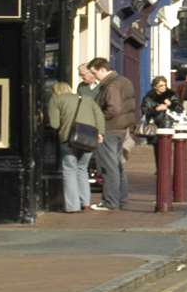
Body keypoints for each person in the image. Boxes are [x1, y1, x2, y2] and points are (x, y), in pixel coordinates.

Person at [84, 59, 135, 212]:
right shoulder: (124, 81)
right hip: (121, 129)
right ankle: (121, 199)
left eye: (94, 73)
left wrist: (98, 119)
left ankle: (110, 201)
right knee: (117, 166)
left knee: (108, 166)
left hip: (109, 129)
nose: (94, 76)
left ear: (101, 70)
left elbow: (113, 108)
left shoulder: (111, 85)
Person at [44, 78, 101, 213]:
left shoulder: (55, 100)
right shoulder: (86, 99)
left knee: (69, 170)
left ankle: (72, 206)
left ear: (55, 91)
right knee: (82, 169)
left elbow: (55, 124)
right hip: (88, 139)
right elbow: (99, 116)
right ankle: (85, 202)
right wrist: (100, 133)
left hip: (69, 140)